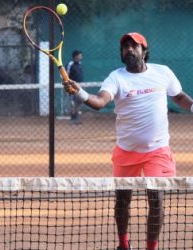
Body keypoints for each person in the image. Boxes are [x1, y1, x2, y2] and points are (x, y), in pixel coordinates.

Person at [62, 32, 193, 250]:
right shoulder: (116, 78)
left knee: (157, 200)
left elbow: (178, 95)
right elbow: (100, 101)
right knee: (122, 201)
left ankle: (152, 247)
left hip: (157, 150)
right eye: (125, 47)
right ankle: (123, 244)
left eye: (134, 46)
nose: (129, 50)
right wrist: (81, 93)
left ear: (144, 51)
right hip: (126, 150)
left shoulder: (163, 73)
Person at [66, 50, 83, 124]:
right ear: (75, 56)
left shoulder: (79, 64)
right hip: (72, 86)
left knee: (78, 102)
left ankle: (76, 117)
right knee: (72, 102)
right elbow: (66, 75)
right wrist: (68, 85)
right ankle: (73, 118)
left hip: (80, 86)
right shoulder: (70, 64)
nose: (81, 57)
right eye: (80, 55)